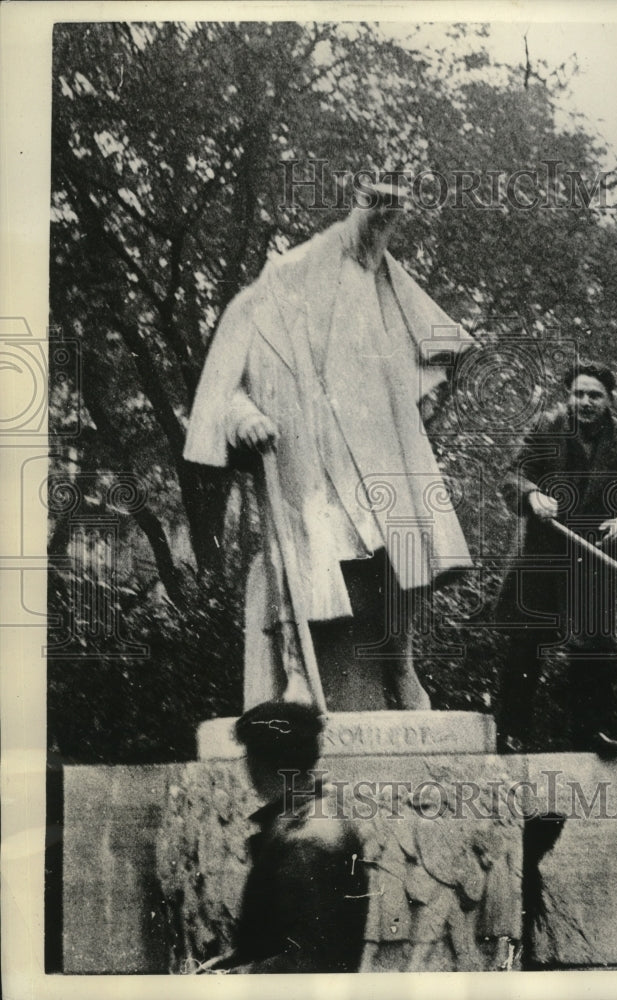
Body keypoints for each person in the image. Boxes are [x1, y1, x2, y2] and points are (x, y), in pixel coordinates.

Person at [183, 179, 473, 711]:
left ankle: (401, 667)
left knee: (402, 544)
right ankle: (296, 672)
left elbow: (365, 244)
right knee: (295, 563)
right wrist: (244, 418)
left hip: (365, 459)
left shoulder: (354, 291)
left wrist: (376, 214)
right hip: (301, 468)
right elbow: (224, 392)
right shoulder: (250, 309)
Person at [495, 362, 617, 755]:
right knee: (526, 643)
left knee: (593, 649)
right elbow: (514, 474)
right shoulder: (547, 426)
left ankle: (590, 735)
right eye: (579, 393)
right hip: (544, 553)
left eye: (594, 395)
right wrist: (532, 495)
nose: (585, 402)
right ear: (569, 396)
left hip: (595, 558)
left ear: (610, 399)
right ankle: (511, 732)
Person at [197, 701, 369, 974]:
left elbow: (309, 961)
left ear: (258, 762)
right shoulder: (299, 823)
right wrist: (229, 963)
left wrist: (230, 979)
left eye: (248, 755)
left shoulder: (306, 838)